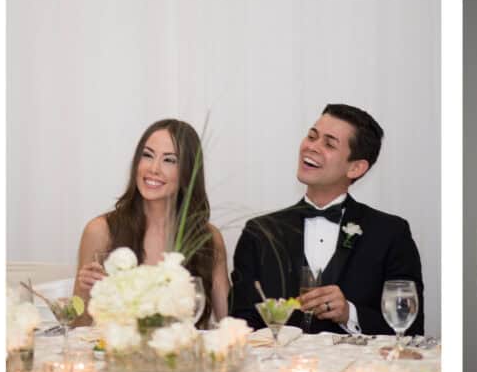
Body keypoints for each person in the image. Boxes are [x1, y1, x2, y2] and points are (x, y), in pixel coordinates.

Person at [233, 105, 425, 335]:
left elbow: (412, 327)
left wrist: (350, 314)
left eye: (329, 143)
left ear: (356, 167)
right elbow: (238, 324)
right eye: (312, 136)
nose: (311, 147)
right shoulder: (260, 232)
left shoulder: (390, 233)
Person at [73, 119, 228, 323]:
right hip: (121, 354)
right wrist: (85, 291)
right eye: (147, 155)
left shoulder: (208, 237)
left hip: (184, 353)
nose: (153, 169)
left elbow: (229, 323)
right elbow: (77, 326)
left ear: (187, 172)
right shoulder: (101, 230)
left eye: (169, 160)